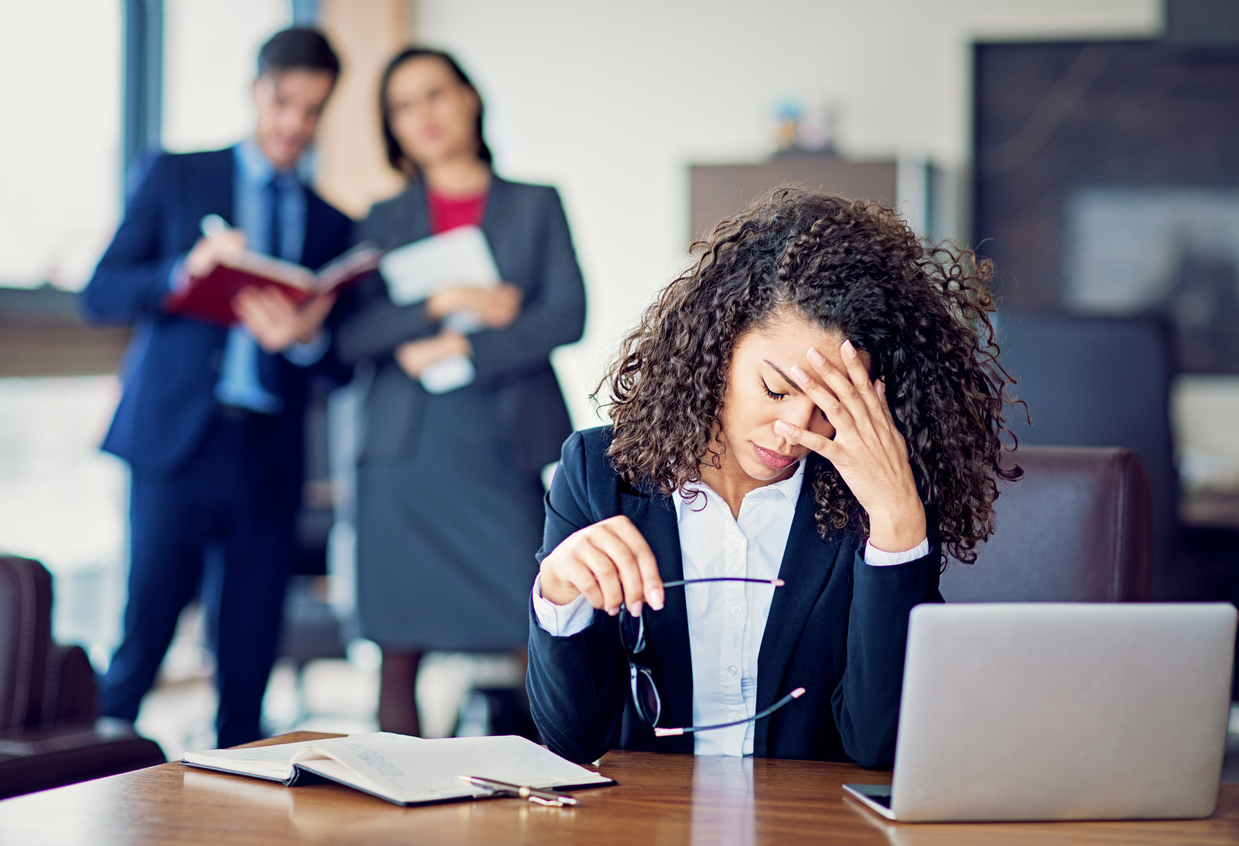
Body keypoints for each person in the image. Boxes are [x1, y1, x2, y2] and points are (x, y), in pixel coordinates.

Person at [526, 187, 1019, 766]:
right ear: (716, 347)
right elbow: (572, 741)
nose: (795, 430)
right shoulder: (599, 473)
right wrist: (559, 596)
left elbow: (881, 746)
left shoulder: (874, 494)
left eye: (830, 404)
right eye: (777, 389)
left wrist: (897, 520)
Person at [80, 28, 354, 747]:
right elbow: (100, 291)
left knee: (250, 646)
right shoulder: (176, 175)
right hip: (176, 443)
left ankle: (236, 798)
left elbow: (341, 364)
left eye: (313, 110)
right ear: (255, 89)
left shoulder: (332, 223)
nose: (295, 124)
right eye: (283, 102)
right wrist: (183, 271)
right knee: (146, 628)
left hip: (266, 451)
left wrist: (307, 337)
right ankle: (90, 772)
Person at [333, 47, 585, 736]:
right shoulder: (381, 218)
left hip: (499, 443)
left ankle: (548, 785)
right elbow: (350, 335)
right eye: (403, 106)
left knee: (533, 620)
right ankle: (398, 799)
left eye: (435, 95)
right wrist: (440, 305)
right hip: (403, 452)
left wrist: (465, 347)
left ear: (469, 98)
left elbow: (567, 314)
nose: (424, 116)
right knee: (397, 645)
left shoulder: (535, 204)